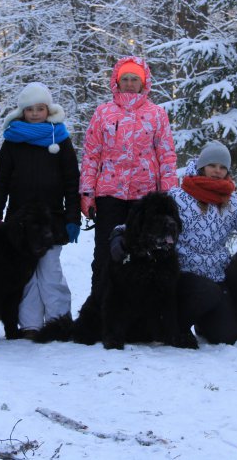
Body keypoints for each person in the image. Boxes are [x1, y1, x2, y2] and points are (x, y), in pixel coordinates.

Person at [0, 82, 80, 339]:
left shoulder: (60, 139)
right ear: (22, 112)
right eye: (30, 109)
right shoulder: (12, 142)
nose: (36, 113)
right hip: (19, 223)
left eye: (40, 108)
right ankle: (30, 324)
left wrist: (73, 217)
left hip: (53, 219)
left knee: (50, 272)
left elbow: (72, 181)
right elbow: (1, 182)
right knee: (24, 274)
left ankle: (59, 321)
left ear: (48, 110)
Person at [79, 56, 178, 296]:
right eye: (126, 79)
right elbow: (91, 155)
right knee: (105, 254)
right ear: (117, 81)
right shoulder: (103, 113)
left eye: (135, 79)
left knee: (144, 254)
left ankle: (140, 317)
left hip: (145, 199)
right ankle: (100, 309)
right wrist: (87, 194)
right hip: (109, 195)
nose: (130, 83)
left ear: (144, 83)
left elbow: (166, 156)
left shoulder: (157, 114)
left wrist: (168, 197)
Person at [168, 141, 237, 344]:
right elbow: (150, 220)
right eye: (212, 165)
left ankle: (203, 321)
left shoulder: (232, 202)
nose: (217, 171)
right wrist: (121, 234)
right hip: (182, 275)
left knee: (226, 335)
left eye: (223, 167)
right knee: (206, 292)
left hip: (217, 277)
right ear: (202, 166)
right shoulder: (178, 196)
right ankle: (175, 326)